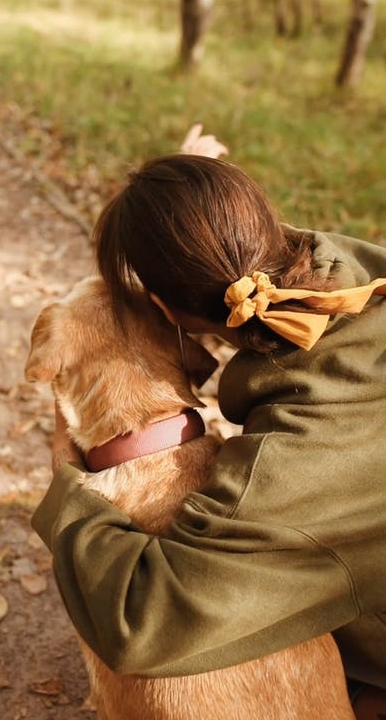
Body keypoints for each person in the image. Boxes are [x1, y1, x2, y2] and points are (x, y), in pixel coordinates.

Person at [31, 152, 386, 716]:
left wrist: (67, 486)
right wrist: (183, 197)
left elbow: (143, 625)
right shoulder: (347, 269)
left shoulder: (294, 460)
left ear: (168, 310)